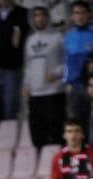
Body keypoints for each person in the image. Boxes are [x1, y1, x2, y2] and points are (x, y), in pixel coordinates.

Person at [24, 6, 66, 147]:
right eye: (36, 15)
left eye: (42, 15)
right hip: (35, 94)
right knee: (37, 133)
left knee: (56, 132)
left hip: (54, 92)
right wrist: (26, 85)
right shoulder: (30, 41)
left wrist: (56, 73)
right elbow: (28, 66)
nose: (39, 18)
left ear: (48, 18)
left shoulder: (58, 38)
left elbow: (68, 63)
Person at [0, 0, 29, 121]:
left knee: (10, 106)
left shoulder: (22, 13)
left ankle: (9, 135)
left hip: (12, 68)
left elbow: (21, 42)